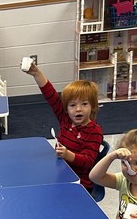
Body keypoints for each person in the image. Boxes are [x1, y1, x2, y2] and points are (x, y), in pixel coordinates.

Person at [21, 60, 103, 192]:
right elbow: (51, 95)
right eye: (72, 105)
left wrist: (68, 155)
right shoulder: (65, 119)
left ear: (93, 106)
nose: (78, 109)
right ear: (66, 108)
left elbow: (88, 162)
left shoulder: (94, 131)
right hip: (61, 172)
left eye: (84, 104)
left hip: (79, 184)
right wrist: (37, 73)